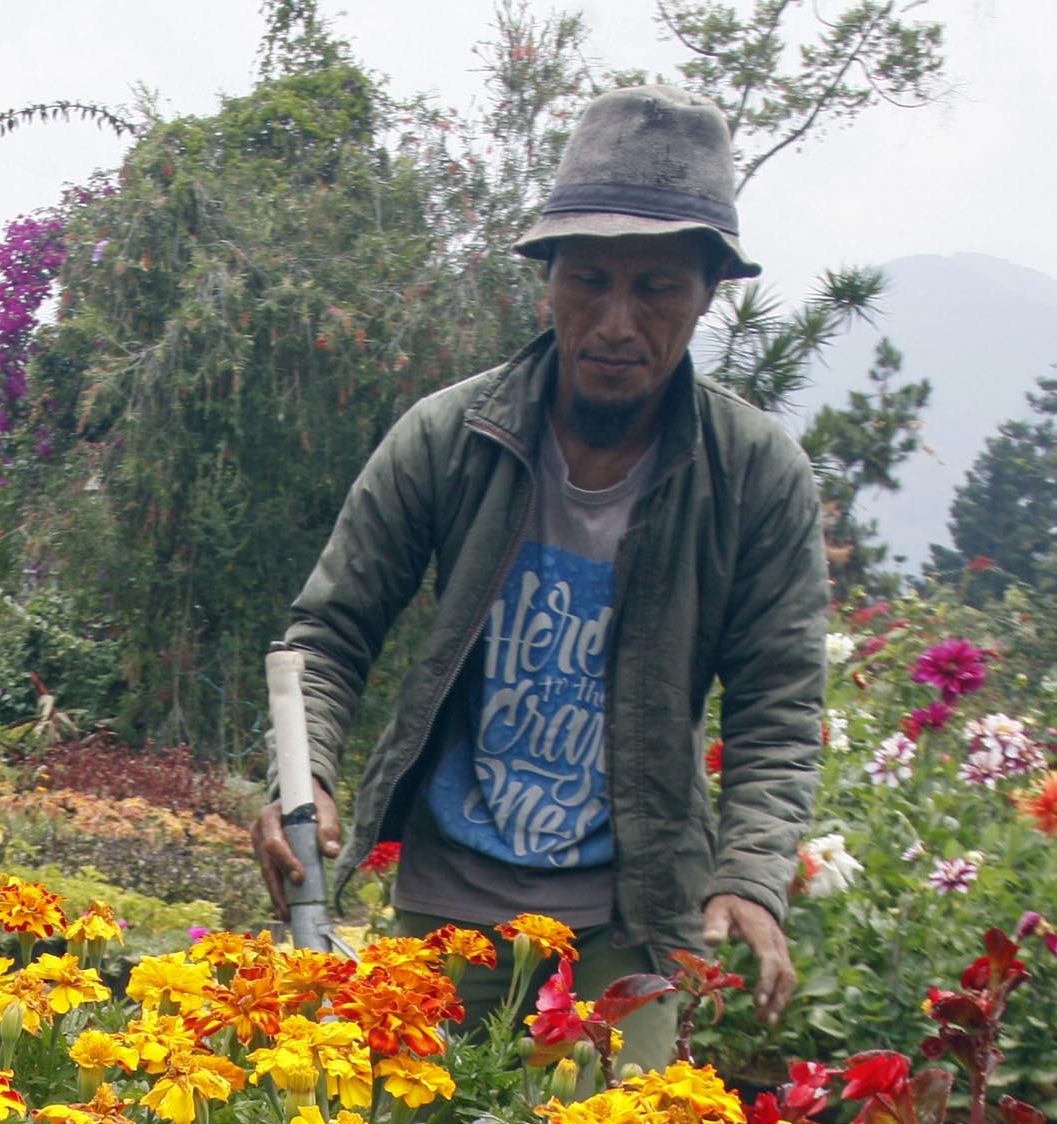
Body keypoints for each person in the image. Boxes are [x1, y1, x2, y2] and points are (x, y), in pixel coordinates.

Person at [250, 85, 825, 1053]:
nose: (615, 321)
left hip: (629, 916)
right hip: (449, 903)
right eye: (588, 279)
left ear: (707, 293)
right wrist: (305, 782)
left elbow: (778, 703)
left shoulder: (753, 474)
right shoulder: (449, 436)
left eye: (657, 289)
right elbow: (330, 632)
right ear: (547, 277)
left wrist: (749, 878)